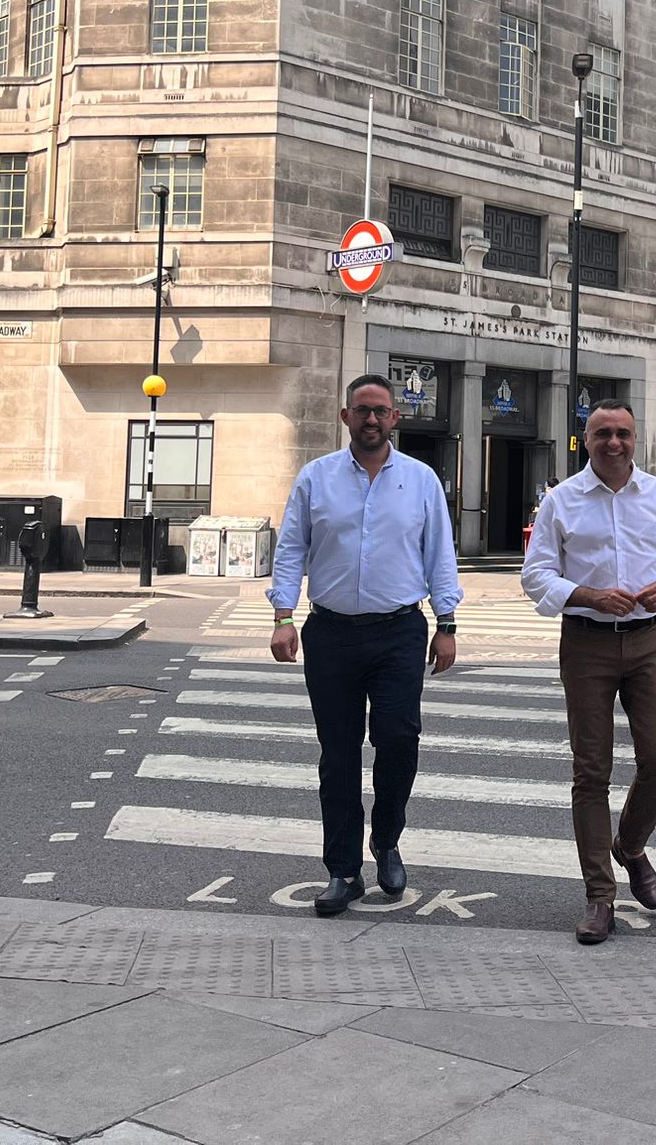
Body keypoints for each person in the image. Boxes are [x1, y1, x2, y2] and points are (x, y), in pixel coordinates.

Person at [268, 374, 462, 917]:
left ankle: (387, 839)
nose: (371, 419)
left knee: (399, 740)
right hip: (330, 633)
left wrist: (447, 623)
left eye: (380, 410)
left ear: (395, 417)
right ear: (345, 417)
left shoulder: (421, 479)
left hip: (399, 631)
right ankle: (343, 870)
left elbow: (439, 552)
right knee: (338, 754)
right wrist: (283, 615)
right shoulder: (316, 478)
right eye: (361, 410)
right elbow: (291, 548)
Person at [522, 400, 656, 945]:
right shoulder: (562, 501)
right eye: (603, 433)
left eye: (623, 432)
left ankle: (630, 846)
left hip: (651, 641)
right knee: (591, 771)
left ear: (635, 438)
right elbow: (536, 575)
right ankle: (600, 895)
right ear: (586, 439)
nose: (614, 442)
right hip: (587, 644)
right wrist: (588, 595)